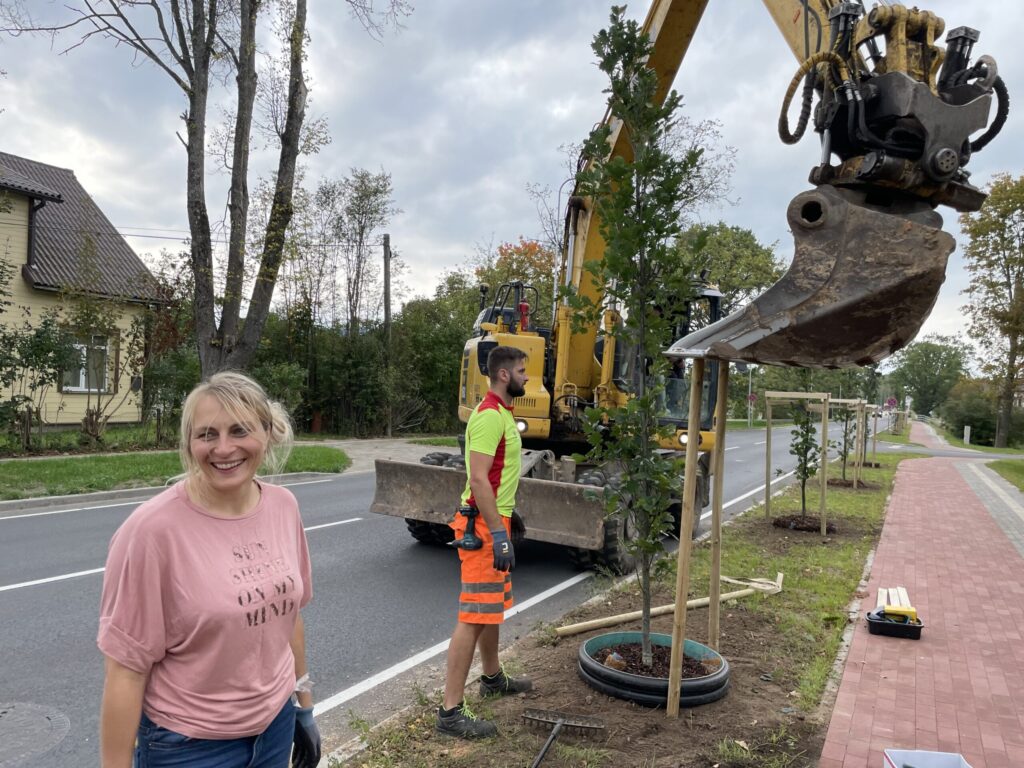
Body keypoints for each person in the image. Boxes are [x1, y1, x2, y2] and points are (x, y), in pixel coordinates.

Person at [97, 372, 321, 768]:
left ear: (266, 434)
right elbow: (126, 669)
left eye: (239, 431)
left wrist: (303, 704)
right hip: (188, 746)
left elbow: (290, 616)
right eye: (206, 435)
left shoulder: (284, 506)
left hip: (275, 727)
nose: (223, 448)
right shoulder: (151, 531)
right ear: (188, 443)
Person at [436, 345, 534, 739]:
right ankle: (449, 713)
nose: (528, 377)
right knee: (473, 617)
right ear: (504, 375)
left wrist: (508, 515)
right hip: (480, 531)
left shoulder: (505, 414)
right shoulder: (490, 416)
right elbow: (477, 479)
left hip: (494, 521)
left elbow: (496, 476)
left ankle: (492, 678)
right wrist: (496, 531)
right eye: (523, 371)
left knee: (491, 608)